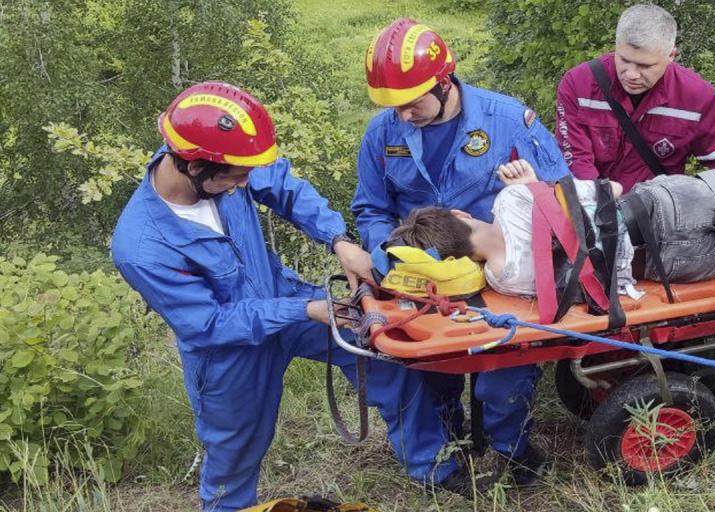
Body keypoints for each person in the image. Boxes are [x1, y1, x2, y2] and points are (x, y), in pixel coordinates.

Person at [111, 82, 466, 511]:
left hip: (285, 300)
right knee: (234, 456)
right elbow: (208, 324)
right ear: (194, 168)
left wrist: (339, 240)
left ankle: (435, 468)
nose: (247, 182)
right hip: (230, 354)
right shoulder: (142, 246)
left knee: (384, 359)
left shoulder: (227, 160)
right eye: (237, 178)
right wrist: (304, 309)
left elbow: (285, 187)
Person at [352, 18, 571, 483]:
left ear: (444, 82)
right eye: (395, 108)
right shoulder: (382, 134)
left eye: (411, 105)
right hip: (423, 278)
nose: (403, 117)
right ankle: (451, 443)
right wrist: (386, 254)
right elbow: (370, 208)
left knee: (502, 378)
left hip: (502, 275)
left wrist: (532, 193)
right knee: (433, 373)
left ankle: (514, 452)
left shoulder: (509, 120)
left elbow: (561, 197)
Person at [391, 159, 715, 301]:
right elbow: (614, 190)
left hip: (667, 264)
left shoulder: (503, 278)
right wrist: (533, 185)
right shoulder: (513, 198)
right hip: (666, 204)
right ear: (460, 216)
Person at [555, 4, 715, 192]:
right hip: (593, 208)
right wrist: (601, 211)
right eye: (624, 60)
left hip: (658, 216)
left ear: (671, 55)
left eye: (645, 66)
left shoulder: (696, 98)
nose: (631, 74)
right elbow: (575, 161)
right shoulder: (578, 84)